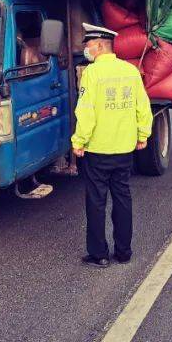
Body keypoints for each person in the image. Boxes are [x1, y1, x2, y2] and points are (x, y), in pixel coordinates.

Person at [72, 22, 153, 267]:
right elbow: (143, 107)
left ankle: (99, 254)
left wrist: (79, 141)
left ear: (98, 46)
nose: (86, 49)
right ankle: (124, 252)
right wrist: (142, 135)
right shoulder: (130, 71)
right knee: (122, 198)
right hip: (125, 150)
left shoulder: (92, 73)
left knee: (96, 201)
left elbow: (86, 111)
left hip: (98, 150)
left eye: (88, 45)